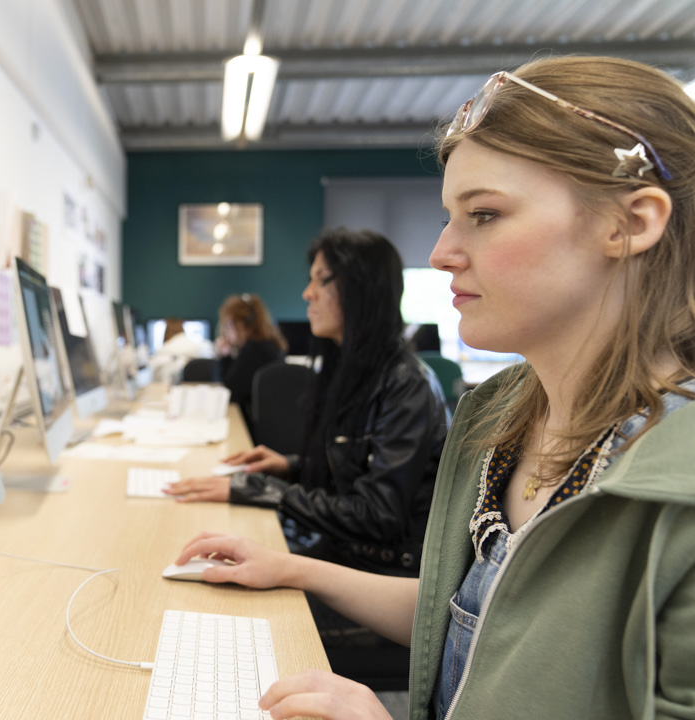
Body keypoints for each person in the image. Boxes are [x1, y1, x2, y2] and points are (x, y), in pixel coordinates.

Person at [172, 55, 695, 719]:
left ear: (631, 223)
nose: (441, 251)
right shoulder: (503, 418)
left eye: (483, 214)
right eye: (449, 215)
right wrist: (291, 568)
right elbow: (475, 609)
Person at [169, 228, 449, 581]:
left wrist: (262, 489)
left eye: (321, 280)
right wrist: (289, 466)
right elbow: (358, 467)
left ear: (360, 289)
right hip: (344, 552)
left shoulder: (406, 385)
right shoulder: (351, 370)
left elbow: (375, 514)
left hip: (378, 573)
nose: (307, 293)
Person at [215, 293, 286, 434]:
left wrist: (224, 357)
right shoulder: (270, 345)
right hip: (273, 425)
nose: (226, 331)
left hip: (255, 429)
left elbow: (230, 394)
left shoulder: (252, 351)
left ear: (240, 324)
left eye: (228, 324)